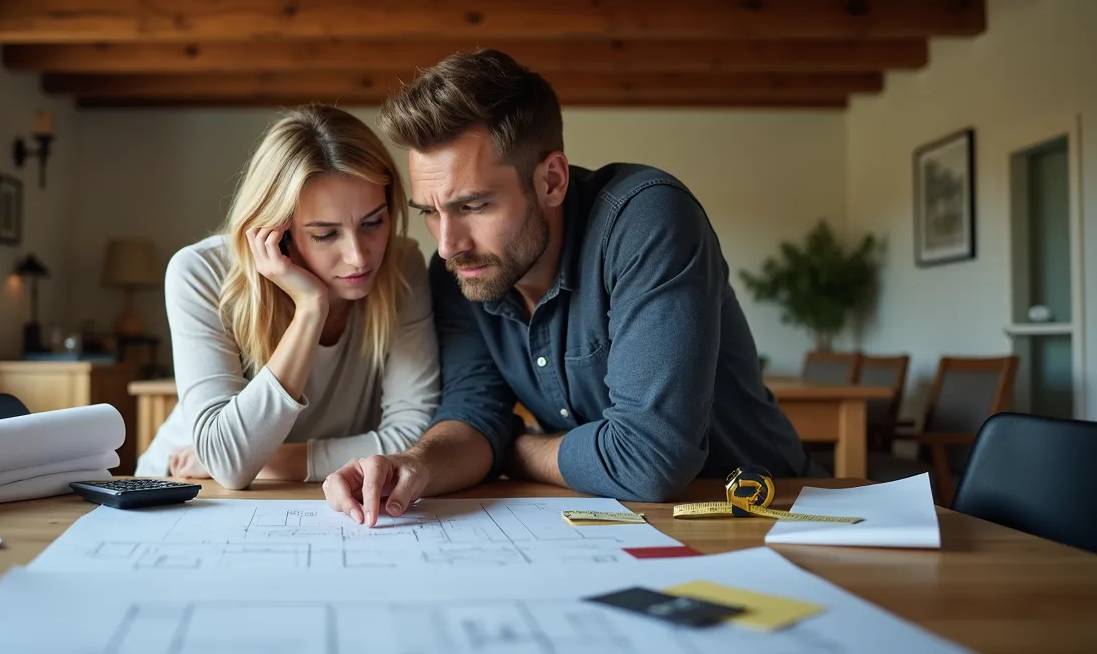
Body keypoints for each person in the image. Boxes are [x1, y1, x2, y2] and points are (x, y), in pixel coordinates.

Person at [322, 49, 813, 526]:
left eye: (473, 206)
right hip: (611, 520)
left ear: (551, 181)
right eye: (429, 212)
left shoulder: (645, 222)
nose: (448, 245)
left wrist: (513, 448)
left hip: (760, 512)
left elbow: (649, 461)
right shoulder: (462, 272)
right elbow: (474, 413)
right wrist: (418, 465)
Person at [136, 104, 440, 489]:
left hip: (321, 492)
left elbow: (413, 439)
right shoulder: (201, 272)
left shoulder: (402, 266)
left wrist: (270, 460)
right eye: (325, 234)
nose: (359, 256)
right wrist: (310, 308)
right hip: (185, 489)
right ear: (278, 232)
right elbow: (229, 465)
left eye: (373, 222)